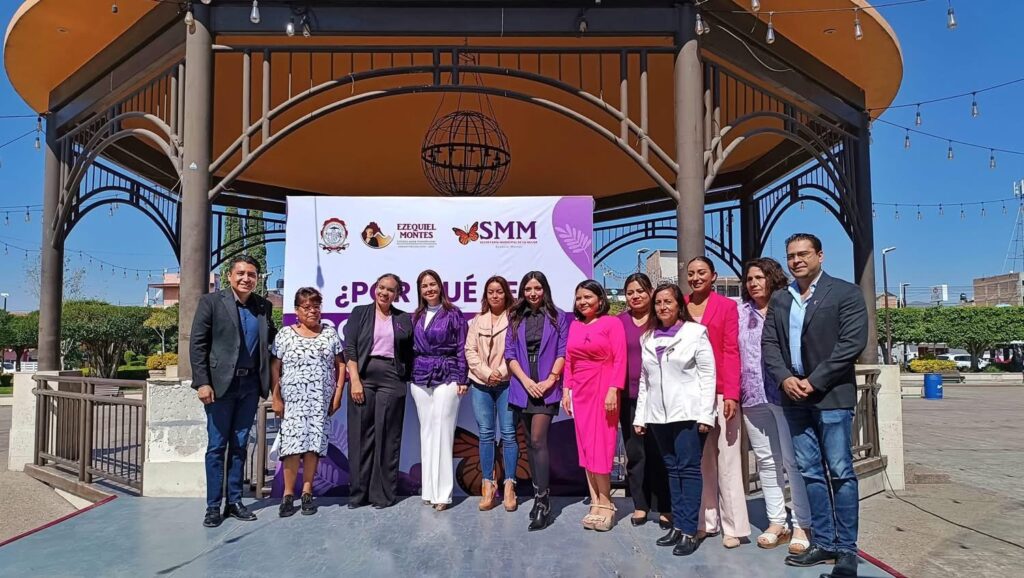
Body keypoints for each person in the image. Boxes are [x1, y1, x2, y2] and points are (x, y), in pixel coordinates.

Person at [762, 233, 868, 578]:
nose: (796, 260)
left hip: (831, 396)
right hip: (794, 398)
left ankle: (846, 549)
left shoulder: (845, 293)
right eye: (791, 255)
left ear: (820, 256)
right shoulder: (781, 298)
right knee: (809, 472)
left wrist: (814, 380)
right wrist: (784, 378)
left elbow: (852, 343)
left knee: (840, 472)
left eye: (803, 254)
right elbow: (769, 345)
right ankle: (823, 542)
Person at [190, 255, 277, 528]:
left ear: (257, 278)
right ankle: (213, 506)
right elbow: (198, 345)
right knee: (217, 446)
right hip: (219, 387)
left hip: (250, 387)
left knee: (240, 445)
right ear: (229, 276)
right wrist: (202, 382)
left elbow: (271, 340)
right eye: (241, 273)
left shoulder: (263, 306)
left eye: (251, 274)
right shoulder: (211, 302)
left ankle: (235, 501)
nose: (246, 278)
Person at [634, 283, 716, 557]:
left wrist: (706, 414)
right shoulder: (647, 338)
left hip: (688, 413)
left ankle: (689, 530)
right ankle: (678, 525)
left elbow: (708, 376)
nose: (662, 307)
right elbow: (645, 381)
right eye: (658, 302)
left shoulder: (695, 333)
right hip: (658, 415)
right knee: (672, 469)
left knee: (688, 470)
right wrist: (641, 417)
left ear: (679, 304)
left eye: (668, 301)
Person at [738, 258, 812, 552]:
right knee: (767, 461)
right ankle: (777, 521)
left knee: (792, 461)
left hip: (784, 394)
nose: (753, 283)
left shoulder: (788, 307)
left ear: (773, 278)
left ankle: (803, 523)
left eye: (759, 277)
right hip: (751, 395)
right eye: (749, 279)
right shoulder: (741, 313)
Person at [684, 256, 751, 548]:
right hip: (690, 394)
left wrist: (732, 393)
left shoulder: (726, 306)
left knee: (728, 459)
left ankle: (733, 527)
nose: (696, 278)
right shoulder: (680, 305)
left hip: (722, 392)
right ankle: (705, 521)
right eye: (691, 273)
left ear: (713, 276)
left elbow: (731, 350)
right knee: (701, 460)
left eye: (702, 272)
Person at [270, 287, 346, 517]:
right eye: (307, 307)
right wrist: (276, 397)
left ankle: (307, 493)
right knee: (292, 449)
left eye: (316, 306)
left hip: (319, 402)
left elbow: (340, 365)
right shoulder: (285, 334)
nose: (312, 311)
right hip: (293, 403)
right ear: (296, 310)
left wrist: (338, 394)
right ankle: (288, 495)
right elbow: (275, 367)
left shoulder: (329, 334)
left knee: (314, 448)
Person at [505, 271, 570, 531]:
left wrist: (551, 379)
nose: (533, 293)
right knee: (529, 445)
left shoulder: (558, 316)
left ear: (545, 290)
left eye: (537, 288)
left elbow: (563, 351)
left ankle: (544, 501)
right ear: (523, 291)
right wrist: (525, 381)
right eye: (528, 289)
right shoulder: (515, 317)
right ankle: (536, 494)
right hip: (523, 385)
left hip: (547, 385)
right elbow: (510, 353)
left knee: (538, 440)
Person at [343, 273, 414, 510]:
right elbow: (350, 348)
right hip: (363, 377)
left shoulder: (403, 318)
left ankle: (383, 495)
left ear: (397, 294)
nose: (384, 292)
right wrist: (354, 380)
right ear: (375, 288)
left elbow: (410, 351)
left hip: (392, 379)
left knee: (388, 436)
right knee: (361, 436)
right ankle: (358, 494)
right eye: (381, 287)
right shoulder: (360, 312)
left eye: (390, 290)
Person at [563, 279, 627, 532]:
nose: (583, 302)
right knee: (586, 446)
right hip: (580, 392)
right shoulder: (575, 325)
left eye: (588, 297)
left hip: (603, 388)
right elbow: (569, 360)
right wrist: (566, 390)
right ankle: (595, 501)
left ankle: (607, 502)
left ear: (600, 299)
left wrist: (613, 389)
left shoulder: (612, 323)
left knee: (602, 445)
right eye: (579, 298)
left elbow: (620, 358)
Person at [409, 269, 469, 511]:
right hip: (419, 376)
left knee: (443, 431)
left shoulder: (453, 314)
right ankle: (429, 490)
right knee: (427, 432)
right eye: (424, 286)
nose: (429, 289)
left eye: (432, 284)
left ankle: (443, 494)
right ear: (419, 290)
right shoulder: (416, 315)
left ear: (440, 286)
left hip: (448, 374)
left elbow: (462, 347)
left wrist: (463, 378)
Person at [617, 273, 672, 529]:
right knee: (635, 452)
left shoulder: (661, 318)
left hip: (660, 396)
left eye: (640, 291)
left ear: (650, 292)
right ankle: (640, 504)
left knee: (659, 451)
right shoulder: (618, 322)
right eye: (630, 292)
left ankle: (664, 506)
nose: (635, 296)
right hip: (629, 396)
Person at [465, 275, 518, 512]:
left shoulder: (515, 319)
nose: (495, 295)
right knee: (486, 434)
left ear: (506, 293)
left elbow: (517, 350)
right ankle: (488, 485)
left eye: (499, 291)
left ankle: (510, 486)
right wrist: (487, 374)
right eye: (491, 292)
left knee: (509, 434)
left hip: (507, 383)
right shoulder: (477, 320)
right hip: (481, 383)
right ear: (485, 295)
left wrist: (501, 372)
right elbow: (470, 351)